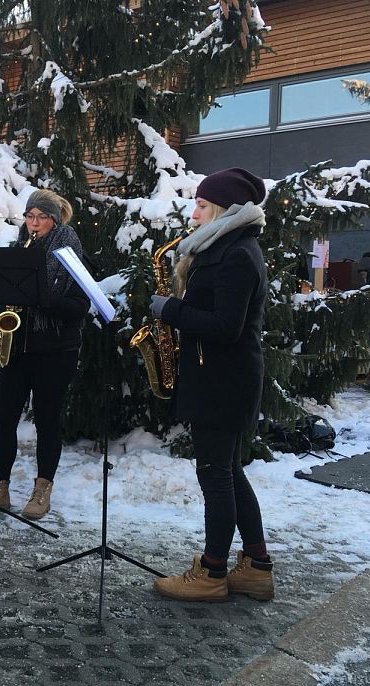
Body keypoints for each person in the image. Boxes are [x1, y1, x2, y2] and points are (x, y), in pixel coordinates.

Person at [150, 167, 274, 602]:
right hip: (221, 376)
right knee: (229, 473)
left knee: (215, 476)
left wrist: (170, 310)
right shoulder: (225, 248)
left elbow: (225, 326)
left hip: (224, 380)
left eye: (202, 205)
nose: (194, 211)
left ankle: (212, 572)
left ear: (222, 209)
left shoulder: (237, 254)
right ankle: (257, 566)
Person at [0, 189, 90, 520]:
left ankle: (42, 489)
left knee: (47, 421)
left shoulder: (70, 252)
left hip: (56, 349)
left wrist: (40, 297)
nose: (34, 223)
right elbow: (0, 298)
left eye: (42, 217)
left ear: (55, 219)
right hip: (18, 348)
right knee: (3, 419)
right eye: (29, 216)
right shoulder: (18, 250)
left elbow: (80, 307)